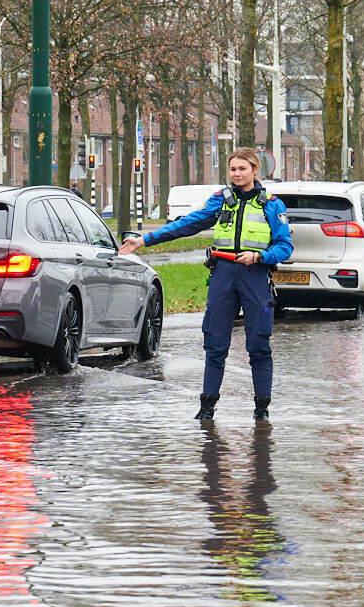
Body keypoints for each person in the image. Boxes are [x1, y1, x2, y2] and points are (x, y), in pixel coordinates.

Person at [118, 147, 292, 421]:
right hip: (223, 275)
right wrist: (145, 240)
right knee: (215, 344)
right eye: (233, 169)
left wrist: (260, 256)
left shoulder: (272, 204)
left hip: (255, 277)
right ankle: (207, 408)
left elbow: (285, 247)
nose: (236, 174)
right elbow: (187, 224)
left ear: (255, 170)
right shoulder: (221, 200)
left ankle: (261, 410)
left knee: (259, 344)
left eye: (242, 169)